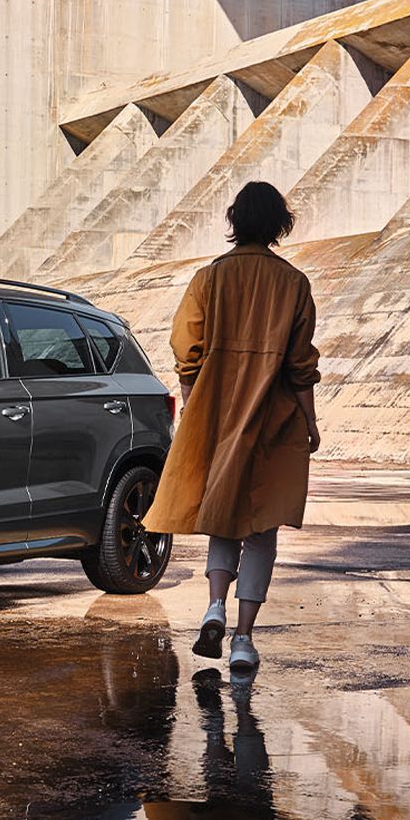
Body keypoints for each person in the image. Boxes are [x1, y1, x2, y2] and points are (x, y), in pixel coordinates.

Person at [141, 181, 321, 674]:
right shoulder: (294, 284)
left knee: (224, 515)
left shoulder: (208, 279)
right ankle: (243, 638)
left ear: (234, 221)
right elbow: (302, 365)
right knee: (261, 526)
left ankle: (214, 605)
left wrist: (200, 404)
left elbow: (187, 349)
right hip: (274, 420)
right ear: (278, 225)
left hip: (218, 416)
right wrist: (309, 420)